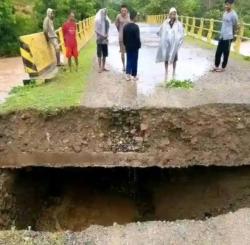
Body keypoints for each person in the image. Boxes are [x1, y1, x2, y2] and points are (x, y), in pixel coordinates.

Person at [156, 7, 184, 81]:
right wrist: (160, 36)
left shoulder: (178, 24)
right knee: (166, 57)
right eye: (171, 14)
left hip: (174, 44)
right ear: (169, 14)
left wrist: (178, 41)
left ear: (176, 14)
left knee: (174, 58)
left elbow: (181, 33)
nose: (173, 15)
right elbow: (161, 30)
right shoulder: (165, 22)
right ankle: (166, 71)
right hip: (166, 43)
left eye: (174, 14)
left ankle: (174, 71)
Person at [213, 0, 238, 72]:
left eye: (228, 4)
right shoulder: (225, 13)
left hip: (228, 36)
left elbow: (235, 26)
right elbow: (223, 24)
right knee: (218, 52)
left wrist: (232, 35)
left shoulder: (234, 15)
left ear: (232, 5)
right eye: (226, 4)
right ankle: (216, 66)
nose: (226, 6)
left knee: (225, 53)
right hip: (222, 35)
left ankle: (223, 67)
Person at [123, 11, 141, 81]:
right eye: (137, 16)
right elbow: (137, 38)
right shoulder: (136, 27)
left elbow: (124, 37)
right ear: (135, 17)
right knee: (134, 61)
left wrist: (125, 44)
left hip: (128, 46)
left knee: (129, 60)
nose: (137, 18)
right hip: (135, 47)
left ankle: (127, 75)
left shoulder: (125, 27)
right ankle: (134, 75)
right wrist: (139, 45)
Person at [115, 4, 130, 72]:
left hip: (129, 37)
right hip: (122, 37)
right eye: (122, 11)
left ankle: (128, 65)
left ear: (127, 11)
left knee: (129, 52)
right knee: (122, 52)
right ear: (120, 11)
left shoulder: (129, 16)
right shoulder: (118, 16)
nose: (123, 12)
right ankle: (124, 66)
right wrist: (120, 31)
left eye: (125, 11)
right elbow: (116, 25)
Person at [95, 8, 111, 73]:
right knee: (99, 54)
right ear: (100, 14)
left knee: (104, 54)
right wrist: (102, 36)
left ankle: (103, 67)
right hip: (99, 40)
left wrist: (106, 35)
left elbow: (107, 30)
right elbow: (96, 30)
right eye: (103, 13)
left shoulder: (107, 22)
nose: (104, 15)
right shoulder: (97, 21)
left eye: (105, 13)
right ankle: (99, 67)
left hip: (105, 40)